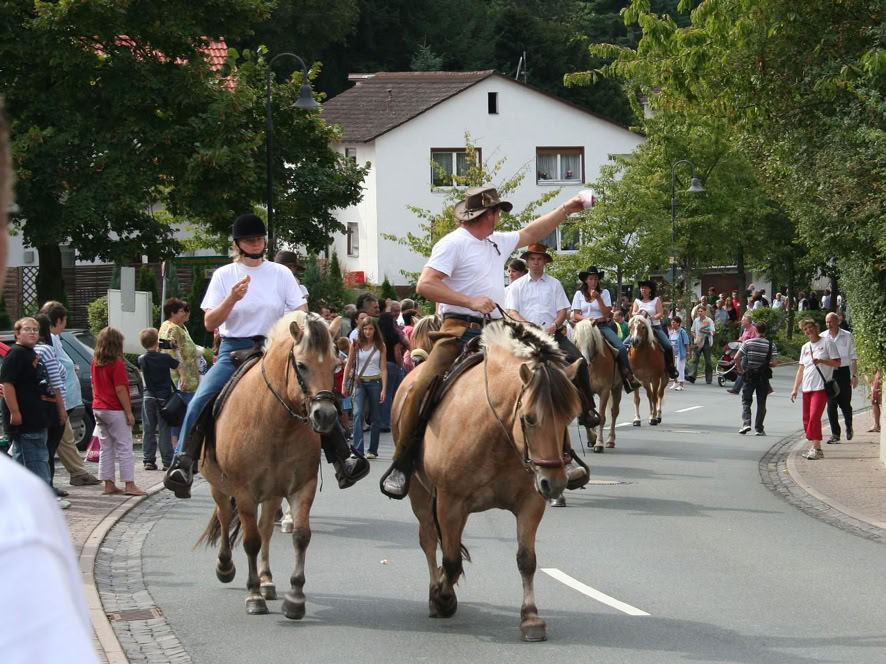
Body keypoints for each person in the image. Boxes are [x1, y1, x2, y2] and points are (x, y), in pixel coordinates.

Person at [381, 186, 589, 498]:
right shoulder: (452, 243)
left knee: (546, 376)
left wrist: (566, 209)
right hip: (458, 328)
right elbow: (425, 284)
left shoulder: (496, 242)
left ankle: (564, 455)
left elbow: (533, 231)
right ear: (486, 214)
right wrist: (470, 301)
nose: (499, 217)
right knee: (422, 383)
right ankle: (402, 461)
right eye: (497, 212)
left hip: (497, 331)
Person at [165, 214, 368, 498]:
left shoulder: (281, 273)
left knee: (316, 392)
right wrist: (232, 299)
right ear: (238, 244)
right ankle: (182, 461)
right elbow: (210, 323)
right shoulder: (224, 275)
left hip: (275, 347)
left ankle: (343, 457)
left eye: (259, 239)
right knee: (202, 396)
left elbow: (300, 312)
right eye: (249, 240)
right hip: (234, 349)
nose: (256, 243)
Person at [505, 242, 601, 435]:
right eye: (532, 259)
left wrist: (555, 326)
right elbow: (511, 312)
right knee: (501, 365)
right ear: (527, 261)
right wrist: (527, 325)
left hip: (552, 335)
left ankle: (587, 410)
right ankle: (503, 411)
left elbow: (563, 311)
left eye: (539, 259)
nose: (535, 262)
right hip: (526, 337)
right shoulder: (516, 286)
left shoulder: (554, 284)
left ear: (544, 262)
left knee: (579, 361)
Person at [38, 301, 101, 486]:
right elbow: (55, 370)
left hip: (64, 398)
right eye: (64, 320)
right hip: (60, 399)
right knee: (60, 438)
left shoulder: (54, 339)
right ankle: (76, 473)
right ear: (59, 320)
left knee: (63, 438)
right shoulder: (50, 340)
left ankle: (77, 472)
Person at [91, 327, 145, 496]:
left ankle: (108, 483)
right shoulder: (117, 363)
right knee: (124, 446)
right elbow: (120, 389)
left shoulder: (95, 361)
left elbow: (93, 385)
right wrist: (129, 412)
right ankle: (129, 484)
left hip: (98, 407)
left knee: (106, 447)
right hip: (114, 408)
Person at [1, 318, 52, 486]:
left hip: (37, 416)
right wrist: (15, 412)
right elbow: (7, 384)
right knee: (33, 463)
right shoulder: (16, 353)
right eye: (27, 329)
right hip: (25, 419)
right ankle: (40, 496)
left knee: (38, 459)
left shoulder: (31, 352)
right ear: (17, 333)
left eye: (35, 329)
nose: (32, 332)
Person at [572, 266, 638, 392]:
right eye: (591, 279)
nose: (593, 282)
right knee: (570, 349)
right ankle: (571, 377)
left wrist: (598, 298)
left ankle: (628, 376)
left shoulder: (604, 293)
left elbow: (607, 313)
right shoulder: (579, 294)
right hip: (584, 327)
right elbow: (576, 315)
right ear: (586, 280)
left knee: (621, 347)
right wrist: (587, 319)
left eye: (596, 279)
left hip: (601, 326)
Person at [791, 318, 841, 459]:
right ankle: (814, 447)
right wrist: (795, 388)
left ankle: (817, 449)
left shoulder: (827, 342)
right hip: (807, 387)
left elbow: (837, 363)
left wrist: (821, 361)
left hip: (820, 387)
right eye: (805, 329)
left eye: (810, 327)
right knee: (807, 419)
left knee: (814, 417)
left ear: (816, 327)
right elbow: (801, 369)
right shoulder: (805, 347)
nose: (808, 330)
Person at [33, 314, 70, 504]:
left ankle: (46, 487)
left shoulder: (29, 350)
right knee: (48, 450)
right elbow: (56, 383)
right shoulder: (45, 350)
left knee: (41, 451)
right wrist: (62, 410)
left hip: (37, 407)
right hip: (52, 406)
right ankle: (47, 488)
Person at [342, 317, 387, 459]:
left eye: (370, 329)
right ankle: (357, 449)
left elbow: (383, 368)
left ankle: (372, 450)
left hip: (375, 381)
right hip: (359, 382)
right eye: (365, 329)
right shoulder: (356, 344)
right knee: (357, 414)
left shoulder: (380, 345)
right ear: (361, 330)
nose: (368, 332)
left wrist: (384, 389)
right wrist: (344, 383)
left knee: (375, 417)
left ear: (375, 330)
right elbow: (348, 364)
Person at [158, 298, 199, 449]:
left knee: (182, 415)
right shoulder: (172, 329)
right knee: (183, 415)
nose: (185, 313)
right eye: (182, 310)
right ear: (173, 312)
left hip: (188, 379)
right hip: (181, 381)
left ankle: (180, 448)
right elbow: (172, 353)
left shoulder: (178, 327)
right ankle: (179, 448)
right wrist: (182, 375)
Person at [138, 327, 179, 471]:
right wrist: (174, 349)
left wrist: (156, 346)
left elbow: (151, 356)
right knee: (164, 430)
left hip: (148, 396)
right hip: (164, 398)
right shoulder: (165, 358)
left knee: (148, 429)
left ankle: (148, 460)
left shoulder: (141, 359)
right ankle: (167, 461)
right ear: (157, 342)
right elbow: (177, 364)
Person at [736, 321, 778, 435]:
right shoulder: (771, 345)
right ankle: (759, 429)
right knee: (761, 403)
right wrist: (765, 364)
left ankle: (746, 424)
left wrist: (740, 370)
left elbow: (736, 357)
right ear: (766, 331)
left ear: (756, 330)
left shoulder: (748, 343)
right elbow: (774, 363)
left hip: (749, 375)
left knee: (746, 401)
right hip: (763, 377)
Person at [630, 280, 679, 379]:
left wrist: (654, 317)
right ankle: (627, 370)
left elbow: (660, 312)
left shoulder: (656, 300)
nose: (643, 289)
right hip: (639, 328)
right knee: (625, 344)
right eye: (641, 288)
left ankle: (671, 368)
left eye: (645, 288)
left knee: (668, 345)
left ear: (650, 290)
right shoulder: (637, 301)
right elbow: (633, 312)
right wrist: (638, 313)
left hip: (654, 327)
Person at [823, 311, 859, 444]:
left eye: (831, 322)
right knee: (831, 404)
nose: (828, 324)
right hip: (829, 374)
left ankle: (849, 427)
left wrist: (854, 375)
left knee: (845, 404)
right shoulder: (823, 337)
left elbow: (854, 357)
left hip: (843, 373)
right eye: (826, 322)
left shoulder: (847, 336)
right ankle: (835, 434)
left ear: (837, 322)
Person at [377, 311, 404, 432]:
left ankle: (379, 420)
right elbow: (397, 353)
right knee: (390, 394)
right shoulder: (394, 335)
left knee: (381, 394)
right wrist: (400, 365)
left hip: (378, 365)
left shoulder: (377, 336)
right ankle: (386, 422)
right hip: (391, 364)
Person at [727, 313, 760, 394]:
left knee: (742, 369)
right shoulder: (745, 329)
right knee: (747, 370)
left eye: (743, 320)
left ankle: (736, 389)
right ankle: (766, 388)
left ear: (748, 322)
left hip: (749, 352)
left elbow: (755, 340)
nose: (741, 321)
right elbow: (743, 339)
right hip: (744, 351)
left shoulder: (753, 329)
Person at [686, 306, 715, 384]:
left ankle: (709, 378)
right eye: (698, 311)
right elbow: (692, 331)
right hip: (698, 341)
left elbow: (713, 332)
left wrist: (703, 331)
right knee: (695, 359)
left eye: (701, 311)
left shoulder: (709, 321)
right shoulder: (696, 320)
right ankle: (692, 376)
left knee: (708, 361)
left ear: (705, 312)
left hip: (706, 341)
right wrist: (696, 337)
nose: (700, 313)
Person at [668, 316, 690, 391]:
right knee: (673, 368)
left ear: (678, 323)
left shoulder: (682, 332)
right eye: (671, 322)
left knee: (680, 368)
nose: (672, 324)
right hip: (673, 354)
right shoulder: (671, 332)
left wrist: (688, 353)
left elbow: (687, 343)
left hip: (681, 353)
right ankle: (675, 382)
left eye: (674, 322)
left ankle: (681, 385)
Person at [867, 369, 881, 433]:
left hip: (878, 374)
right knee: (874, 400)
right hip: (878, 374)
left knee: (874, 400)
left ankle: (877, 425)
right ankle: (876, 424)